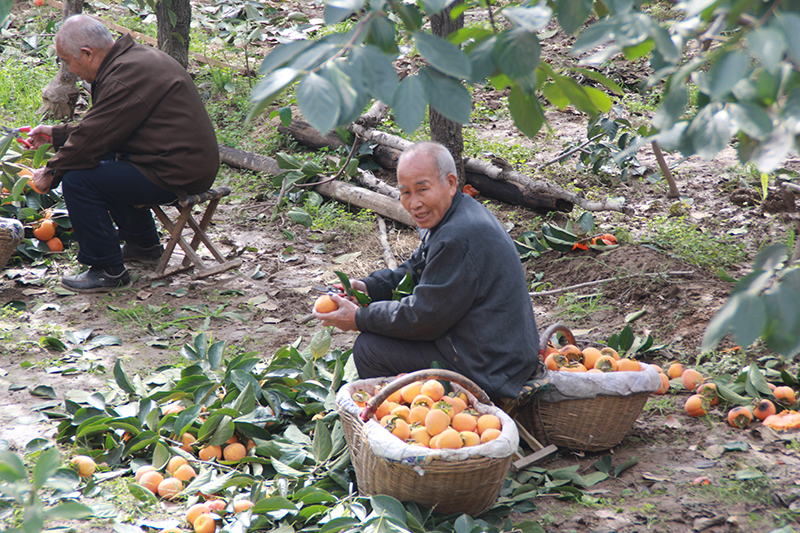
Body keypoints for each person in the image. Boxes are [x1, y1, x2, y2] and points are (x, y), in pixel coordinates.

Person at [314, 142, 540, 402]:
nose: (414, 203)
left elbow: (424, 317)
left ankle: (413, 425)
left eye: (422, 189)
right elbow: (414, 269)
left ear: (451, 183)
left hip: (492, 369)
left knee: (369, 349)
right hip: (498, 354)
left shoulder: (458, 235)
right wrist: (368, 288)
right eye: (406, 192)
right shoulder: (455, 214)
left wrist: (359, 318)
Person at [30, 14, 219, 292]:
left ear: (87, 53)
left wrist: (52, 171)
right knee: (102, 160)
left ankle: (107, 270)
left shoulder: (125, 76)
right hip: (177, 162)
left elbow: (95, 136)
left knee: (78, 181)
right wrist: (56, 134)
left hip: (175, 171)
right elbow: (106, 126)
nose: (70, 69)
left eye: (69, 61)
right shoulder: (132, 60)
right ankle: (142, 244)